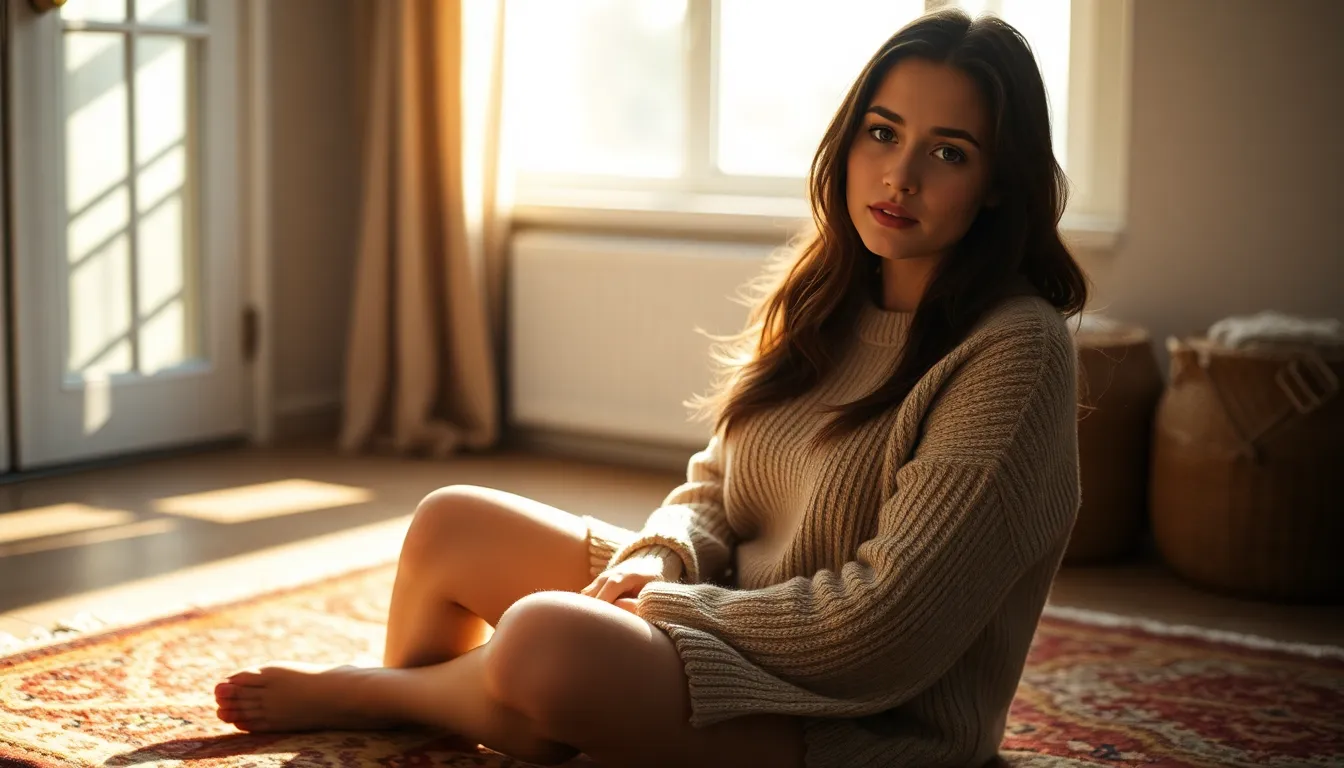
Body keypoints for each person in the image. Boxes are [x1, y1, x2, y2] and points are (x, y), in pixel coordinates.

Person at [213, 7, 1087, 767]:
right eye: (883, 133)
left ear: (1000, 186)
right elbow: (716, 486)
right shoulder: (829, 292)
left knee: (545, 641)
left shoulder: (1017, 352)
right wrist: (661, 556)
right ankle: (462, 715)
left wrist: (666, 607)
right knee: (450, 523)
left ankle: (386, 697)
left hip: (863, 718)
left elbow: (885, 630)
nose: (900, 176)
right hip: (731, 617)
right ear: (849, 139)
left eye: (948, 152)